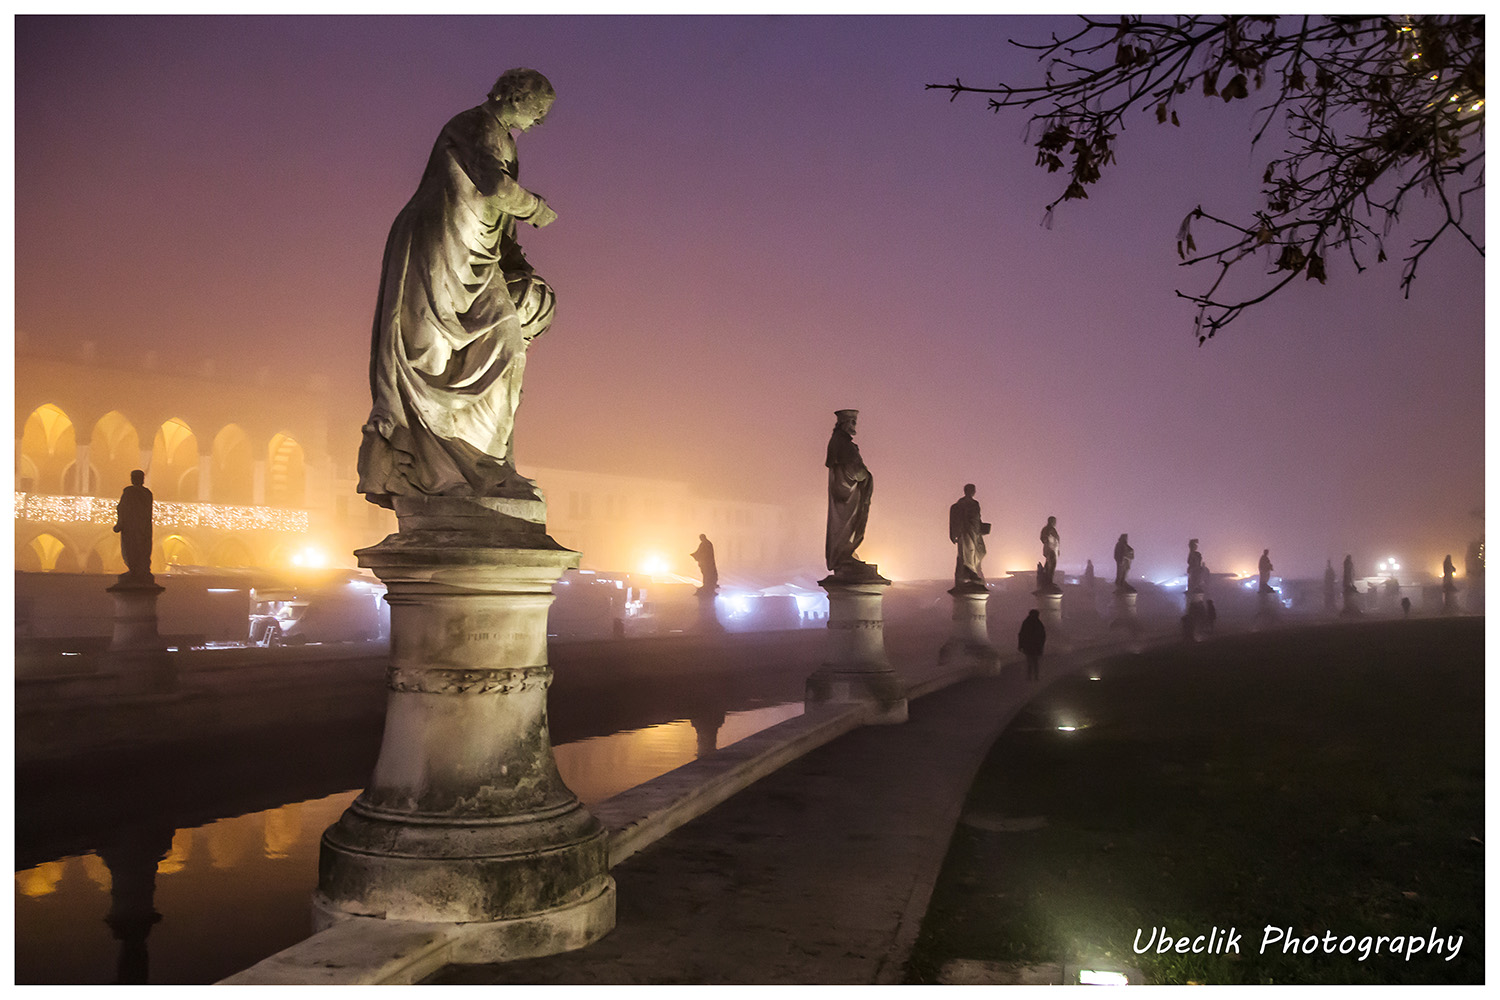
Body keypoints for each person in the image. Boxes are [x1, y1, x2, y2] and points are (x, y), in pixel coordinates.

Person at [358, 68, 560, 507]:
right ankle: (430, 463)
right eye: (539, 110)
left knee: (509, 342)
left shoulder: (505, 140)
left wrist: (523, 272)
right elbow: (493, 186)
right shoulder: (474, 125)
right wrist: (537, 207)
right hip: (436, 249)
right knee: (427, 359)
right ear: (514, 96)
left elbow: (501, 226)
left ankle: (487, 464)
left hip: (476, 258)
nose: (540, 122)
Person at [825, 409, 874, 577]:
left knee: (845, 526)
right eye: (852, 422)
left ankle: (845, 555)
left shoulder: (839, 442)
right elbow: (855, 470)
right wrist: (866, 475)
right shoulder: (842, 443)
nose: (854, 426)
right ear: (844, 424)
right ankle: (843, 556)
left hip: (846, 492)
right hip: (847, 494)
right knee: (846, 525)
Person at [113, 470, 154, 580]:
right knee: (143, 548)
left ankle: (134, 571)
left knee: (131, 548)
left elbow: (122, 508)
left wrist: (120, 523)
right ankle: (142, 570)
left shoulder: (129, 492)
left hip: (131, 527)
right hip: (144, 528)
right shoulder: (147, 493)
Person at [948, 484, 987, 589]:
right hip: (965, 531)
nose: (973, 492)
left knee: (981, 551)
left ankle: (973, 571)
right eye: (972, 490)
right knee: (968, 552)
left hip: (975, 532)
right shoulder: (960, 504)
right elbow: (956, 519)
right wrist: (955, 533)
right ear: (967, 491)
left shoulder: (975, 503)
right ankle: (969, 573)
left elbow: (978, 518)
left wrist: (982, 527)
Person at [1018, 608, 1046, 681]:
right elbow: (1042, 636)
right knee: (1035, 662)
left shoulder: (1026, 622)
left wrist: (1020, 645)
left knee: (1030, 662)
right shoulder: (1038, 623)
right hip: (1036, 646)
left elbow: (1021, 634)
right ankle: (1035, 677)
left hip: (1028, 645)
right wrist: (1041, 645)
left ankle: (1030, 676)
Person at [1039, 516, 1060, 590]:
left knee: (1050, 565)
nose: (1055, 523)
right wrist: (1048, 541)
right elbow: (1043, 538)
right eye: (1054, 521)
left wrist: (1057, 550)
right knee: (1051, 565)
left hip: (1053, 549)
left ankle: (1048, 580)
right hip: (1050, 549)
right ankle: (1048, 581)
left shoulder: (1051, 529)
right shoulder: (1048, 529)